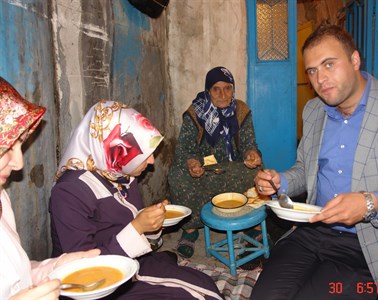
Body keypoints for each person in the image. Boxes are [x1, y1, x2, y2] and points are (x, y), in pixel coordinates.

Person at [251, 24, 378, 300]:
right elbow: (306, 169)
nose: (320, 78)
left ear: (354, 60)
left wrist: (369, 204)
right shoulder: (315, 109)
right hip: (313, 231)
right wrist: (281, 181)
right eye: (312, 71)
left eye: (329, 64)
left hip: (369, 246)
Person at [49, 100, 223, 299]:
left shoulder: (121, 173)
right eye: (144, 154)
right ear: (114, 149)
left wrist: (153, 225)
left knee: (203, 283)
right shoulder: (70, 192)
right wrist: (138, 228)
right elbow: (83, 272)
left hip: (128, 262)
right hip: (97, 286)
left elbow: (130, 224)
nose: (151, 162)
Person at [0, 76, 100, 299]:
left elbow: (15, 277)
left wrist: (59, 266)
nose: (19, 163)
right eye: (6, 145)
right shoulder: (71, 189)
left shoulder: (1, 199)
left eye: (21, 143)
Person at [168, 66, 263, 259]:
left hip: (232, 167)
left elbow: (248, 143)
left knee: (260, 172)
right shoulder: (196, 113)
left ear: (233, 89)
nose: (222, 94)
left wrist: (251, 154)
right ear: (208, 91)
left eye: (227, 88)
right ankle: (190, 229)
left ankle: (250, 224)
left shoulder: (241, 110)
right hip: (205, 169)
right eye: (216, 89)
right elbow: (184, 147)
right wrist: (192, 163)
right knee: (178, 174)